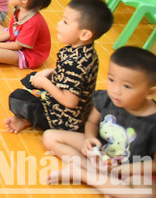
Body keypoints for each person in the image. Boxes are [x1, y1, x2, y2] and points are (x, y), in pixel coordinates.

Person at [43, 46, 156, 196]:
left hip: (131, 167)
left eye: (127, 86)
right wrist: (89, 138)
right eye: (111, 80)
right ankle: (103, 181)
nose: (115, 90)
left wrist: (123, 169)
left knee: (147, 194)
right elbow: (91, 123)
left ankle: (83, 175)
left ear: (151, 92)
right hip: (101, 153)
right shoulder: (107, 98)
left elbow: (154, 164)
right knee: (50, 136)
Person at [5, 0, 112, 134]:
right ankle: (33, 112)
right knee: (32, 78)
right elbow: (67, 73)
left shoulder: (75, 63)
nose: (59, 24)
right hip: (67, 98)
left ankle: (30, 120)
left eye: (65, 22)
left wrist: (44, 83)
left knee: (17, 97)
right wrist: (49, 73)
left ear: (84, 34)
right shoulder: (86, 50)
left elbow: (70, 101)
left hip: (65, 120)